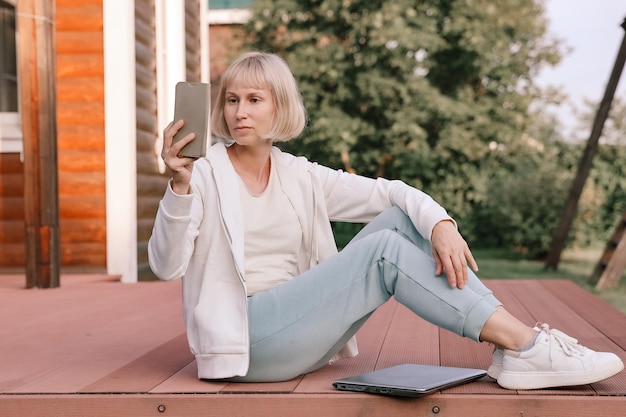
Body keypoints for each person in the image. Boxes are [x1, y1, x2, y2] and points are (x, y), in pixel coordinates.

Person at [148, 51, 623, 390]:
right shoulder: (204, 173)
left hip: (299, 331)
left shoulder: (299, 174)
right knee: (383, 252)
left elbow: (391, 192)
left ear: (279, 107)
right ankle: (526, 344)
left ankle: (514, 349)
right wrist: (181, 186)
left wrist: (442, 224)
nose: (239, 112)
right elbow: (166, 266)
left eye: (254, 99)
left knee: (399, 220)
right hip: (245, 340)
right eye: (231, 100)